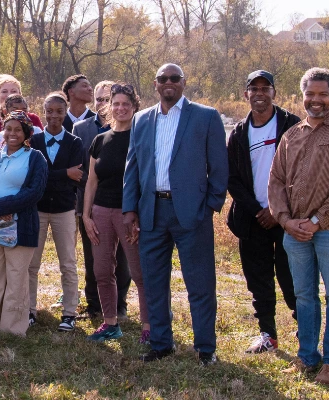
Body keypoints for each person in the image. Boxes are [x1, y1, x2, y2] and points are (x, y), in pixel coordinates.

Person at [123, 64, 227, 366]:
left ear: (183, 83)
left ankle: (205, 348)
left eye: (175, 79)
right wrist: (130, 208)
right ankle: (161, 343)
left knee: (200, 283)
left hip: (191, 212)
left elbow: (219, 167)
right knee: (154, 281)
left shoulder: (205, 116)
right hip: (151, 211)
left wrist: (209, 206)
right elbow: (133, 168)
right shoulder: (141, 120)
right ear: (155, 84)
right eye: (163, 79)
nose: (169, 83)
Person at [268, 67, 329, 385]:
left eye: (323, 94)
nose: (316, 100)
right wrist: (285, 220)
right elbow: (276, 181)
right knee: (304, 296)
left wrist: (316, 220)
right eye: (310, 94)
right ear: (302, 95)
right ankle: (307, 356)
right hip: (295, 232)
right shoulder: (291, 135)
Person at [226, 70, 302, 354]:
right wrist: (257, 209)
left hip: (287, 218)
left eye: (265, 88)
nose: (259, 93)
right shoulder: (238, 132)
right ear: (246, 94)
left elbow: (302, 173)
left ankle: (304, 331)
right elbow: (231, 177)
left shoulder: (292, 125)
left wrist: (276, 209)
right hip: (252, 218)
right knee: (258, 279)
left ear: (274, 92)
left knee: (292, 277)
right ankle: (268, 335)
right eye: (253, 88)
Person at [82, 83, 149, 343]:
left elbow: (145, 179)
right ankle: (110, 323)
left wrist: (138, 215)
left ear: (134, 108)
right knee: (101, 270)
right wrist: (86, 215)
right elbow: (91, 181)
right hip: (101, 212)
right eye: (116, 104)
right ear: (109, 106)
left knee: (138, 271)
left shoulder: (140, 138)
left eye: (126, 104)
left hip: (129, 213)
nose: (120, 108)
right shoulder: (100, 140)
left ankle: (149, 327)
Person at [0, 111, 48, 337]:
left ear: (27, 133)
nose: (12, 133)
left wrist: (2, 207)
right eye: (9, 128)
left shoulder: (35, 158)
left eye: (18, 129)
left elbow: (34, 192)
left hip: (21, 225)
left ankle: (12, 330)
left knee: (16, 278)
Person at [27, 92, 83, 331]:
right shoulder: (34, 142)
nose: (54, 116)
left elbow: (76, 178)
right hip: (37, 210)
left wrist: (58, 177)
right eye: (49, 111)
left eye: (59, 111)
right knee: (32, 263)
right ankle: (29, 310)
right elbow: (33, 177)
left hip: (64, 210)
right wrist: (63, 173)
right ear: (43, 112)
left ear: (65, 112)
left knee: (68, 263)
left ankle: (69, 313)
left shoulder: (75, 142)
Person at [74, 80, 130, 321]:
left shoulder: (136, 133)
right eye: (100, 99)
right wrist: (84, 212)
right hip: (94, 206)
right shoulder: (84, 129)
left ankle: (122, 306)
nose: (104, 104)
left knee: (127, 264)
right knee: (96, 261)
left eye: (109, 99)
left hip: (125, 208)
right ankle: (97, 307)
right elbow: (87, 176)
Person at [0, 64, 43, 135]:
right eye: (4, 91)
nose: (9, 95)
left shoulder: (33, 119)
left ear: (20, 95)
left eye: (13, 91)